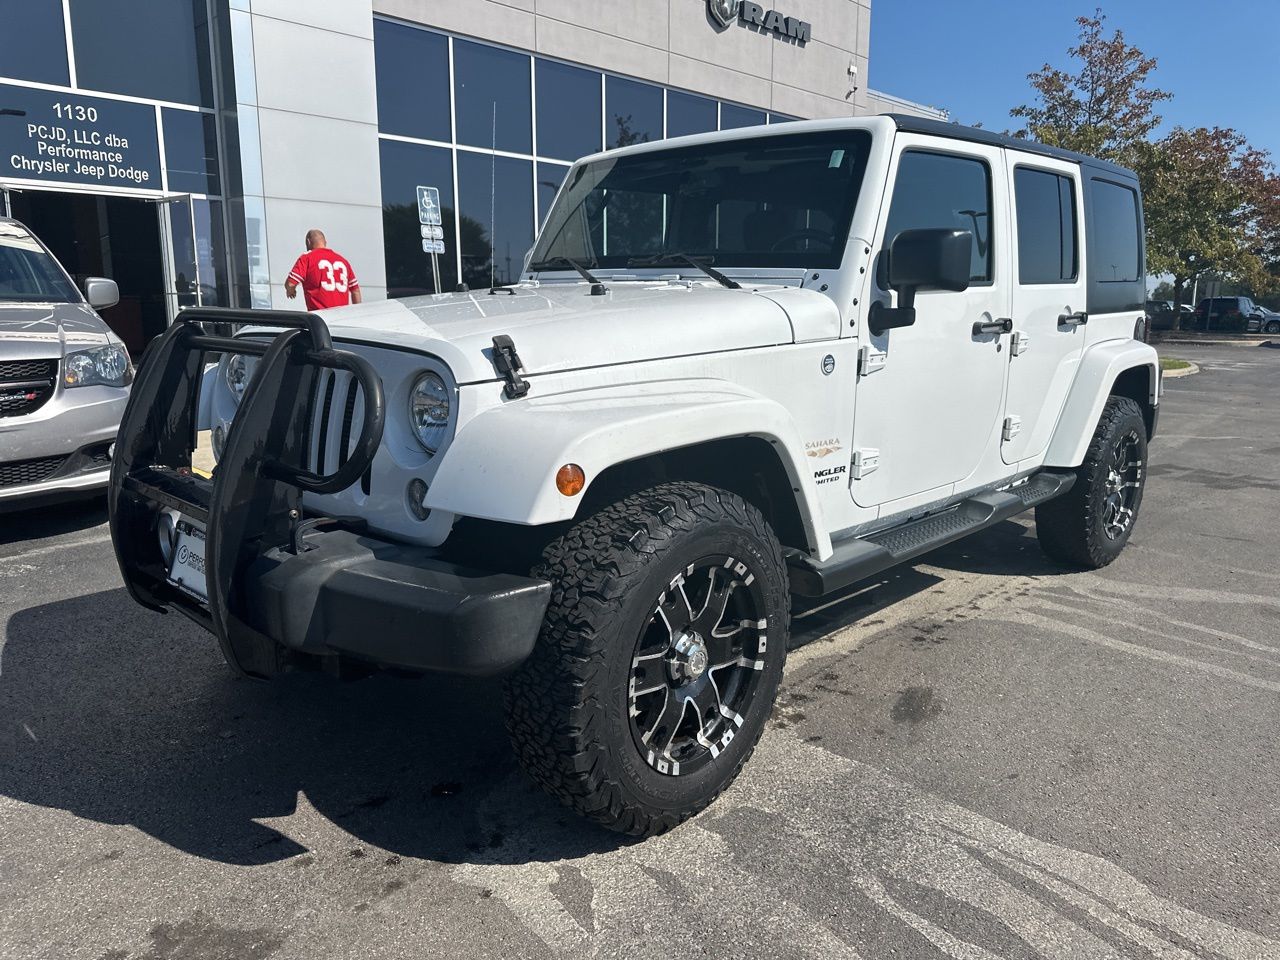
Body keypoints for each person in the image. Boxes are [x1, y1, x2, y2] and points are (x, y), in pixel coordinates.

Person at [285, 229, 362, 310]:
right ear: (325, 242)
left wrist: (291, 291)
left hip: (320, 317)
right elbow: (355, 291)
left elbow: (290, 283)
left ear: (308, 242)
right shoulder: (343, 260)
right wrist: (357, 312)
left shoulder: (307, 258)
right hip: (341, 317)